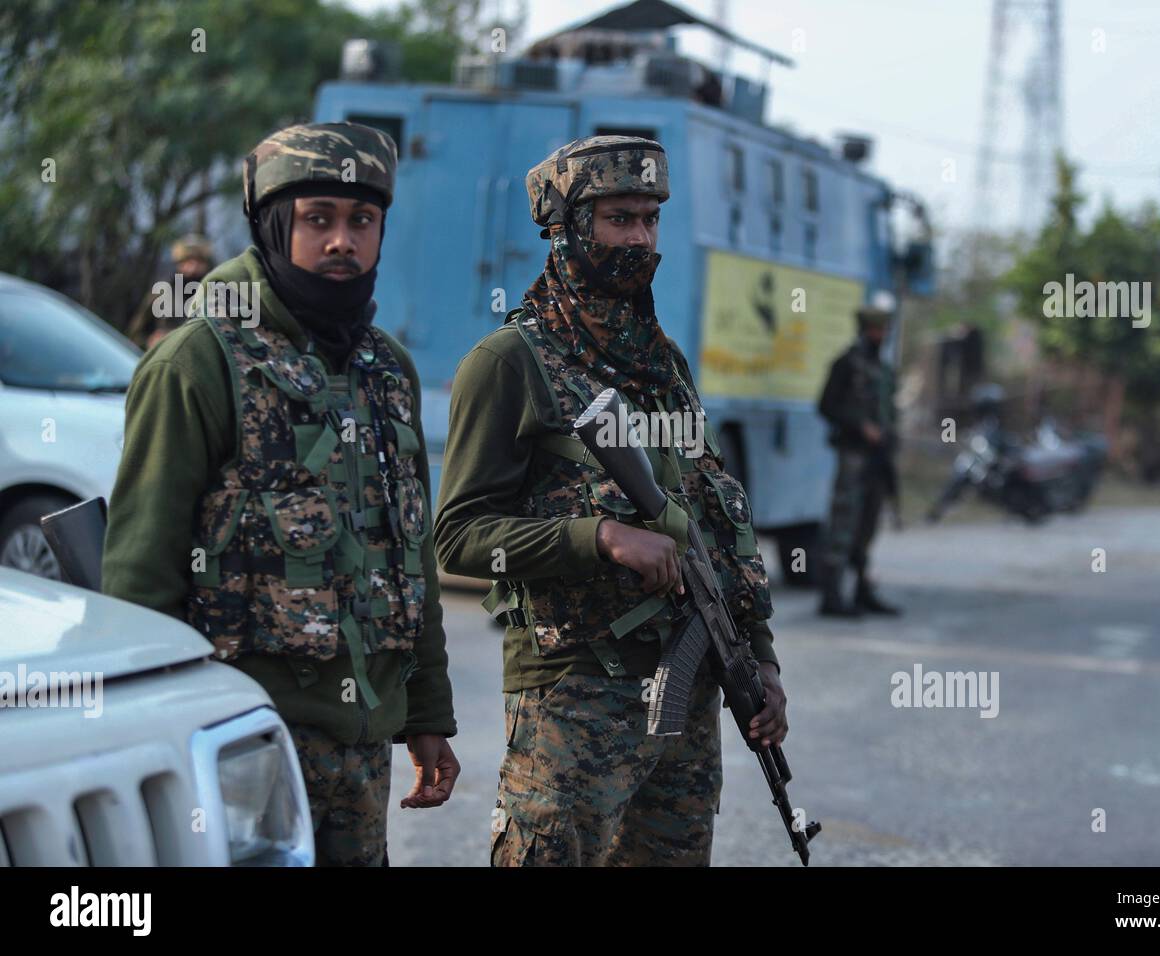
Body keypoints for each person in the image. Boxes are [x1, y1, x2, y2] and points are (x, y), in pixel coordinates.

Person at [102, 122, 458, 866]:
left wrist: (426, 711)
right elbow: (142, 573)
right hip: (243, 741)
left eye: (361, 221)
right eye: (317, 219)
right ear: (272, 225)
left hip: (361, 749)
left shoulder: (386, 370)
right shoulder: (197, 361)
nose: (341, 242)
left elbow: (410, 550)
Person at [434, 135, 788, 867]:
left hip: (687, 699)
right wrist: (599, 538)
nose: (639, 238)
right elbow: (460, 537)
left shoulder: (664, 365)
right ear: (566, 229)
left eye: (650, 220)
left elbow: (718, 520)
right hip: (575, 694)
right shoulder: (510, 363)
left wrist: (760, 659)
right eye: (619, 218)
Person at [816, 292, 903, 618]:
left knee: (867, 528)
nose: (881, 336)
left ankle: (863, 589)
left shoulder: (882, 369)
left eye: (884, 331)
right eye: (877, 330)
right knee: (843, 525)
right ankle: (832, 596)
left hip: (879, 460)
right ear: (866, 330)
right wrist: (860, 426)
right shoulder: (846, 364)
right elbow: (826, 406)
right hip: (853, 456)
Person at [125, 233, 215, 350]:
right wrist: (150, 342)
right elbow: (135, 332)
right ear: (179, 264)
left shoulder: (212, 298)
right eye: (188, 262)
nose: (193, 268)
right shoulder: (163, 291)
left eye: (199, 263)